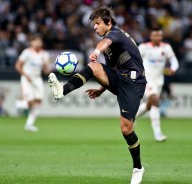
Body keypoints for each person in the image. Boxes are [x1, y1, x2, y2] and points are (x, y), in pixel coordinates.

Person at [48, 6, 146, 184]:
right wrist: (101, 89)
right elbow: (114, 68)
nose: (95, 27)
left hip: (134, 83)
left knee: (126, 129)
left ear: (108, 23)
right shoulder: (111, 42)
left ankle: (138, 167)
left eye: (97, 23)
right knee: (93, 67)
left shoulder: (115, 34)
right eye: (94, 24)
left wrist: (96, 51)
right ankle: (63, 90)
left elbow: (105, 43)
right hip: (119, 78)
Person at [136, 27, 179, 142]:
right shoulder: (144, 47)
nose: (158, 37)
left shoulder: (166, 47)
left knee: (150, 104)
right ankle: (158, 133)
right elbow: (134, 60)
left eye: (160, 35)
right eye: (155, 35)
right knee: (155, 100)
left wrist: (173, 68)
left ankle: (130, 117)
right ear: (151, 36)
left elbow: (174, 60)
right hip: (146, 80)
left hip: (159, 81)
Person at [15, 36, 50, 132]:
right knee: (30, 102)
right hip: (27, 78)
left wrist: (48, 68)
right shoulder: (27, 52)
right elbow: (18, 66)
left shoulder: (44, 54)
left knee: (38, 101)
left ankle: (29, 124)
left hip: (37, 79)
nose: (38, 43)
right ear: (32, 43)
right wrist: (25, 75)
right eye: (36, 41)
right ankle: (20, 104)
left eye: (39, 41)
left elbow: (46, 70)